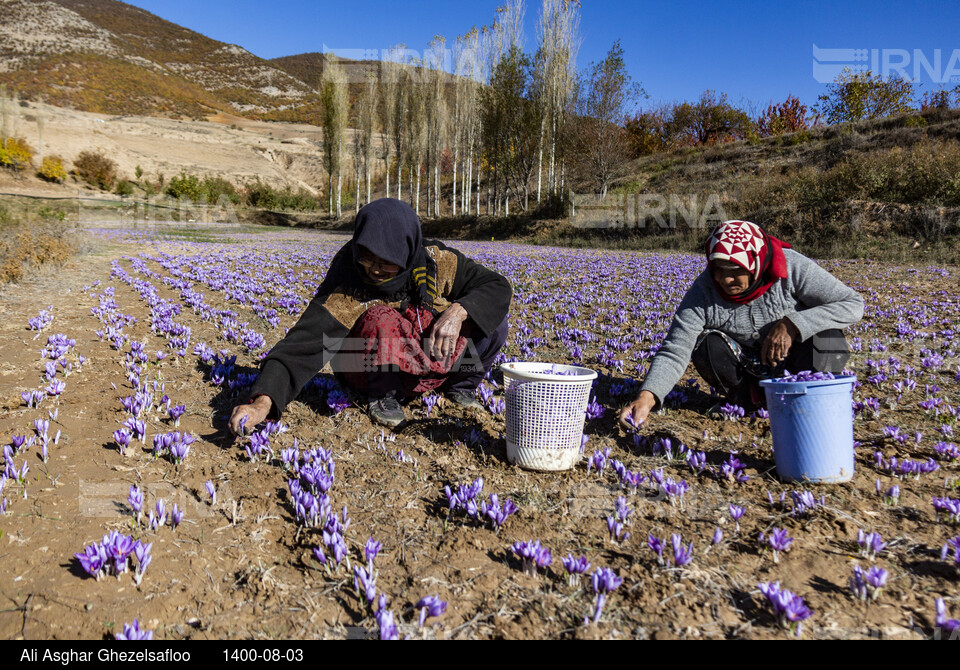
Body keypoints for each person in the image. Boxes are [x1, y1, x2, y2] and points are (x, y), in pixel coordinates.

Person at [229, 198, 511, 432]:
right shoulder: (349, 279)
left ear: (406, 252)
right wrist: (263, 403)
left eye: (386, 262)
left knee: (489, 315)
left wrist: (459, 311)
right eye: (367, 257)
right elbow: (301, 345)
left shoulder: (436, 261)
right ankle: (384, 396)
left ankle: (458, 385)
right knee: (381, 319)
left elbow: (496, 286)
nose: (374, 270)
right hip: (364, 366)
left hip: (422, 359)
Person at [618, 219, 864, 429]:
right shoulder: (704, 291)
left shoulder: (791, 267)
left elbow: (852, 304)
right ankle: (748, 399)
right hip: (749, 367)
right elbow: (675, 349)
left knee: (829, 338)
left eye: (736, 270)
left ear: (755, 264)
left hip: (798, 356)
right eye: (719, 270)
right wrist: (647, 397)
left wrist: (793, 323)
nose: (726, 279)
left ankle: (818, 401)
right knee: (706, 345)